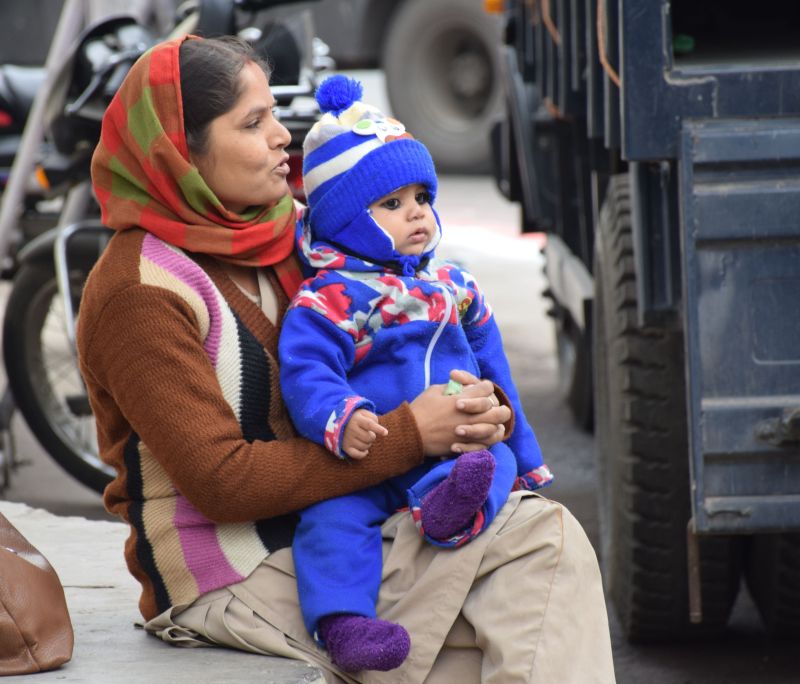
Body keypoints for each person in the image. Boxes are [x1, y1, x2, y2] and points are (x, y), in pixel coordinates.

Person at [77, 34, 615, 683]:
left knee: (531, 576)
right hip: (232, 573)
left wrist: (476, 409)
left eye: (275, 113)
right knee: (538, 556)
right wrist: (413, 434)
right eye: (253, 122)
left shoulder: (296, 232)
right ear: (181, 153)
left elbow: (418, 332)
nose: (283, 136)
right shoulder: (138, 291)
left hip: (353, 520)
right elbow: (223, 481)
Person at [277, 75, 554, 673]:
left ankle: (449, 510)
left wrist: (523, 451)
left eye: (421, 199)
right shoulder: (329, 299)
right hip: (369, 456)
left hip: (453, 452)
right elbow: (307, 372)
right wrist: (340, 417)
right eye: (392, 205)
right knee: (331, 522)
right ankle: (345, 624)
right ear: (347, 219)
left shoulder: (451, 287)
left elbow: (493, 367)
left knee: (495, 461)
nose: (417, 216)